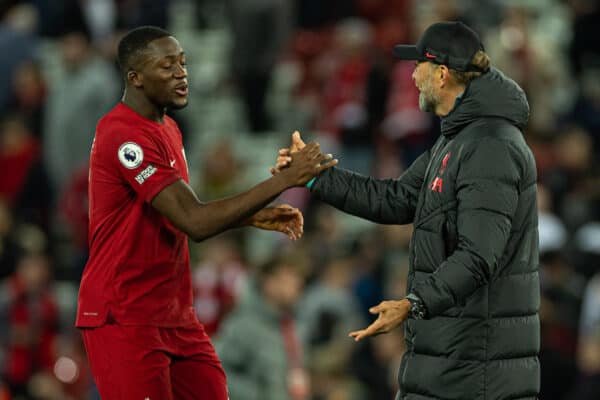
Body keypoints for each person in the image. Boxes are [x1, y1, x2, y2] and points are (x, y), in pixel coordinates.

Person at [275, 21, 539, 400]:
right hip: (450, 359)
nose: (412, 76)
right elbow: (396, 199)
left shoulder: (489, 145)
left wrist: (413, 304)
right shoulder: (459, 139)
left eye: (418, 67)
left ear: (443, 74)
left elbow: (480, 255)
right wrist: (314, 176)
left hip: (476, 370)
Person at [75, 26, 336, 400]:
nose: (181, 73)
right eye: (166, 66)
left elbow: (173, 210)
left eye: (182, 63)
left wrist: (248, 217)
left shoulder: (169, 130)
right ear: (135, 78)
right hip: (125, 314)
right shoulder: (123, 134)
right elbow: (193, 221)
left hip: (174, 313)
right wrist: (286, 180)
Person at [216, 255, 309, 400]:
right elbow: (218, 372)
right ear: (269, 283)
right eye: (290, 279)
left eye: (298, 278)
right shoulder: (243, 325)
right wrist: (258, 396)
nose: (298, 284)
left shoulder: (294, 325)